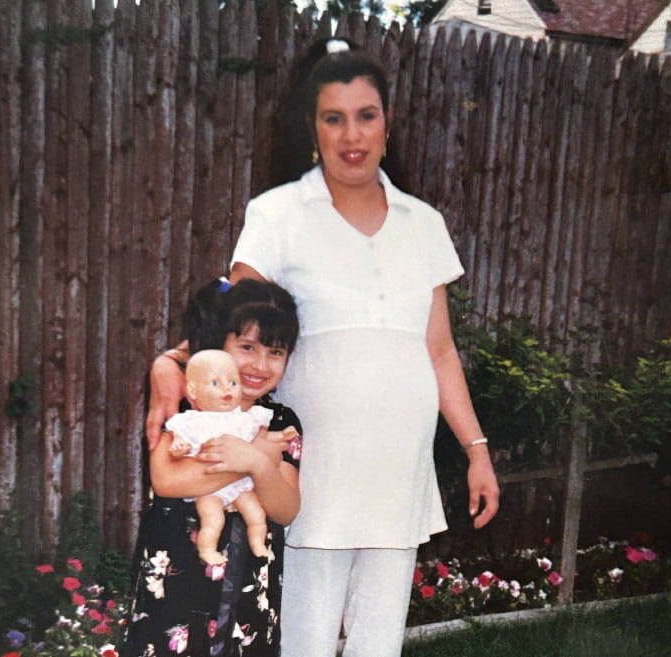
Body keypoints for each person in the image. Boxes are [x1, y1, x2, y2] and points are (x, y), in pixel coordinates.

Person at [146, 39, 500, 657]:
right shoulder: (279, 213)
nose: (351, 134)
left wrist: (476, 450)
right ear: (312, 129)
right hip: (313, 475)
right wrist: (169, 363)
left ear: (387, 123)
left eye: (366, 115)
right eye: (333, 118)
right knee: (304, 641)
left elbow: (439, 351)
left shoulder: (425, 224)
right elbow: (231, 313)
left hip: (397, 468)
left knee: (378, 643)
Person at [126, 278, 301, 657]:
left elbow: (286, 509)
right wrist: (246, 462)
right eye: (246, 347)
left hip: (249, 589)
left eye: (275, 352)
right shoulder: (186, 412)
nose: (259, 364)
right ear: (219, 343)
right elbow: (166, 479)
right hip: (176, 580)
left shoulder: (280, 421)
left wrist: (257, 460)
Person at [167, 349, 299, 562]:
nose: (227, 389)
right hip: (209, 490)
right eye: (215, 384)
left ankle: (258, 545)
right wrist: (178, 445)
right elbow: (177, 440)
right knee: (213, 519)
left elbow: (259, 440)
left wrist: (281, 435)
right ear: (193, 391)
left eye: (233, 383)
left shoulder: (243, 419)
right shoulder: (189, 421)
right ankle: (207, 550)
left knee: (256, 514)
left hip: (239, 488)